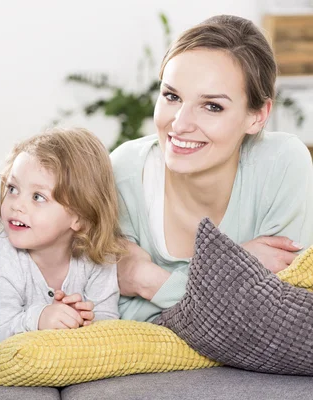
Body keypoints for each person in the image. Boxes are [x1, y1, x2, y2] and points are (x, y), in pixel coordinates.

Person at [110, 14, 313, 323]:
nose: (179, 124)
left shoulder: (282, 164)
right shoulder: (124, 173)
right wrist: (237, 273)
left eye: (212, 106)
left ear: (257, 116)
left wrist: (146, 279)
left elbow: (282, 313)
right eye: (172, 96)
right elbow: (114, 315)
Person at [0, 128, 124, 344]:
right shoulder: (6, 256)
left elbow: (109, 322)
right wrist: (40, 318)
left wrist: (84, 320)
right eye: (13, 188)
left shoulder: (98, 259)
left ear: (79, 217)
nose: (17, 205)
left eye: (37, 197)